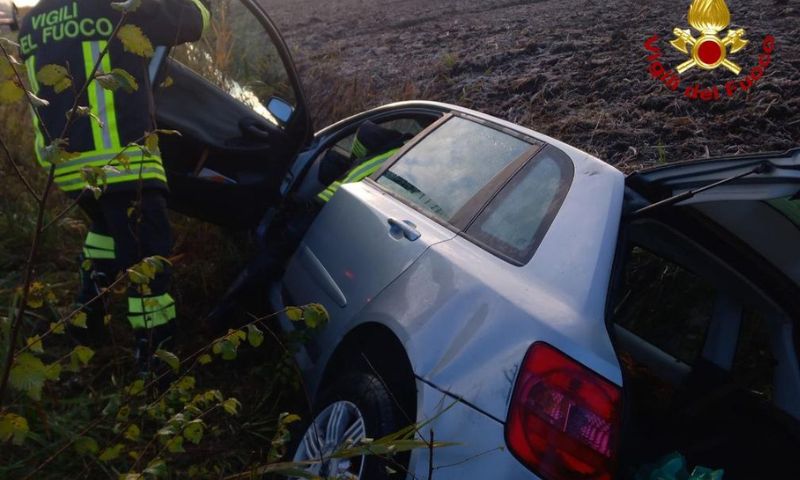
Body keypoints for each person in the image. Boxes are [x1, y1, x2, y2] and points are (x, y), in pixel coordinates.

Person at [18, 0, 210, 374]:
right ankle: (156, 366)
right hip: (119, 160)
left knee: (105, 231)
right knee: (148, 264)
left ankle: (87, 320)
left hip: (68, 167)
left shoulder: (34, 18)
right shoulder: (117, 5)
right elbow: (194, 20)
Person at [208, 121, 407, 331]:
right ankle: (243, 311)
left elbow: (364, 131)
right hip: (339, 213)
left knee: (273, 255)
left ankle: (224, 311)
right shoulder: (408, 156)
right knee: (280, 257)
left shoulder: (397, 149)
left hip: (326, 209)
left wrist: (353, 159)